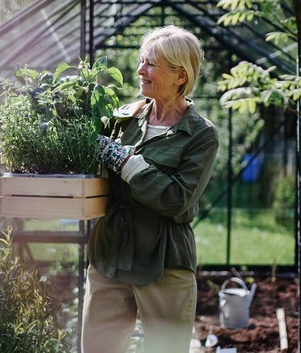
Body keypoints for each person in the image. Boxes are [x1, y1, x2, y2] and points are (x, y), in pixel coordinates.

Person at [82, 25, 219, 353]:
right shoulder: (124, 118)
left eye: (151, 64)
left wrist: (126, 162)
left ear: (180, 76)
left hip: (164, 262)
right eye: (142, 61)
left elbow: (177, 199)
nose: (140, 70)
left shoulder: (201, 135)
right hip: (110, 254)